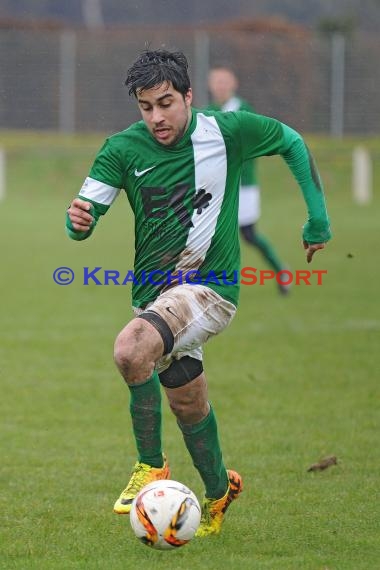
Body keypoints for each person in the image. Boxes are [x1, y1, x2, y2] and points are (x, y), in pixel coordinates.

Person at [66, 49, 331, 537]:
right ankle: (217, 493)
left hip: (211, 289)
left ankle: (151, 465)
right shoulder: (121, 149)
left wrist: (317, 217)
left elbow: (292, 142)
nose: (156, 117)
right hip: (153, 294)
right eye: (146, 107)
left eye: (166, 103)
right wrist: (76, 221)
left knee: (130, 349)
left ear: (189, 96)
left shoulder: (227, 132)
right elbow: (83, 216)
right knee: (187, 402)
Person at [207, 66, 290, 294]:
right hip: (217, 186)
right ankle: (211, 282)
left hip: (243, 184)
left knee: (249, 234)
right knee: (212, 234)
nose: (220, 85)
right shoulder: (208, 111)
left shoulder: (242, 109)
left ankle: (280, 271)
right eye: (216, 81)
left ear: (234, 84)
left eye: (224, 81)